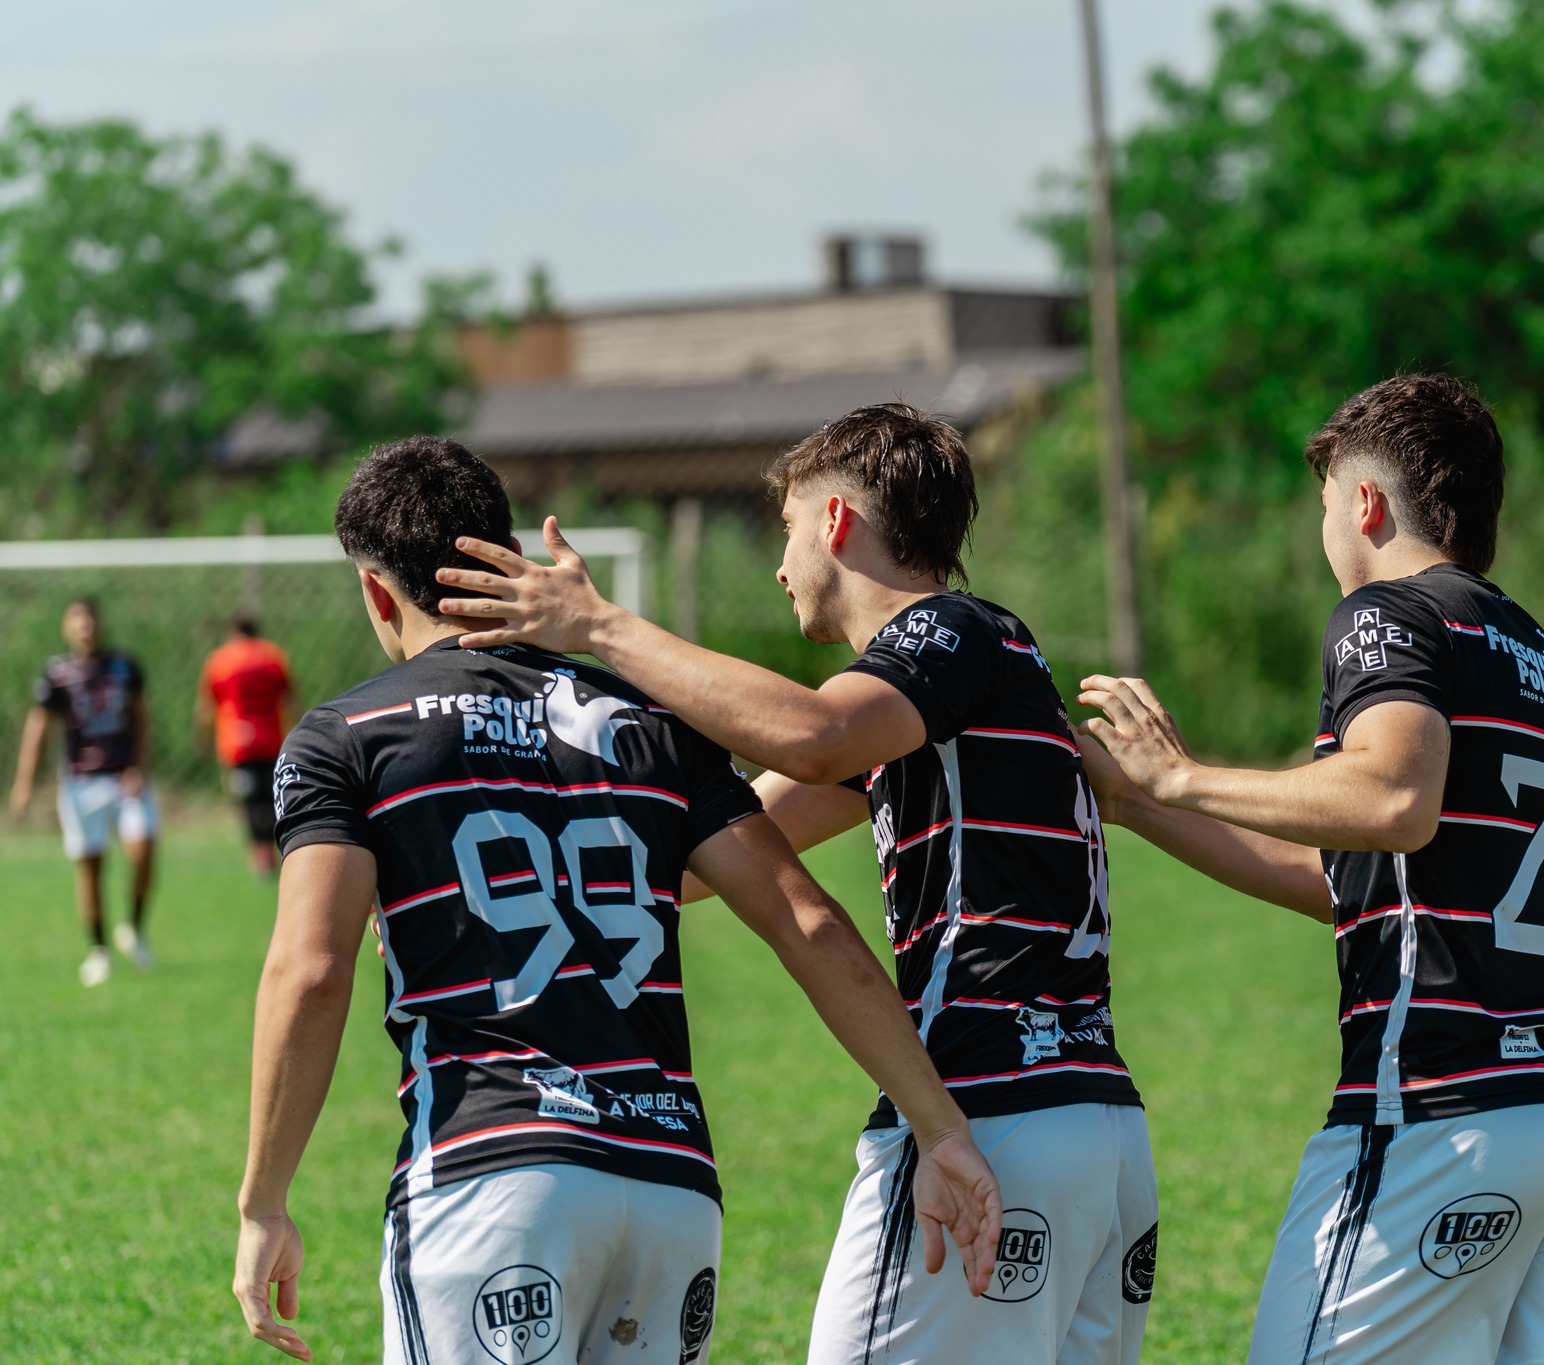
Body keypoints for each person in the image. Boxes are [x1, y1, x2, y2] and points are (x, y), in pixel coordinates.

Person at [232, 436, 1003, 1365]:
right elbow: (809, 922)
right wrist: (940, 1125)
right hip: (670, 1183)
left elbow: (314, 969)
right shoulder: (656, 729)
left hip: (492, 1170)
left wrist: (262, 1200)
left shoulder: (347, 734)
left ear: (374, 590)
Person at [433, 404, 1158, 1365]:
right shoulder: (947, 693)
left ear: (836, 520)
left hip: (991, 1107)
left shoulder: (953, 635)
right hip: (1090, 1126)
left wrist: (600, 626)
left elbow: (811, 735)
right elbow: (728, 851)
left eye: (785, 529)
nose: (780, 566)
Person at [1077, 375, 1544, 1364]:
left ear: (1365, 504)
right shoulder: (1535, 650)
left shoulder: (1384, 614)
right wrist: (1136, 803)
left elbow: (1391, 799)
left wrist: (1180, 777)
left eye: (1321, 504)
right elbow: (1352, 881)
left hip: (1451, 1111)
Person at [9, 597, 159, 985]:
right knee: (91, 868)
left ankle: (134, 929)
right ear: (66, 627)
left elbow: (143, 718)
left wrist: (139, 766)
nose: (84, 628)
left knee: (142, 850)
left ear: (100, 623)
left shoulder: (125, 666)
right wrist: (25, 783)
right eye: (76, 621)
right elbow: (38, 727)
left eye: (90, 620)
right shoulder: (57, 673)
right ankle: (98, 952)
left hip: (125, 778)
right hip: (80, 783)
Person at [197, 617, 296, 874]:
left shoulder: (219, 660)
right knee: (274, 795)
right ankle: (279, 847)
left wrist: (203, 738)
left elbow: (206, 707)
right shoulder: (273, 656)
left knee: (248, 800)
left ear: (232, 632)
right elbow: (291, 698)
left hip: (237, 743)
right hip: (271, 739)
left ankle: (260, 853)